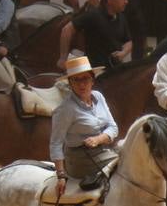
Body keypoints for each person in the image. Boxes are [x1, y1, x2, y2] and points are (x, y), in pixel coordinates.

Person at [50, 55, 118, 194]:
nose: (82, 84)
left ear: (92, 80)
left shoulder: (98, 97)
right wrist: (61, 176)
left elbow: (113, 127)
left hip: (103, 150)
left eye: (85, 78)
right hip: (80, 158)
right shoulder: (66, 109)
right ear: (70, 83)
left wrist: (98, 139)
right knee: (123, 165)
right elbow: (56, 143)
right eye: (76, 80)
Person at [58, 0, 132, 71]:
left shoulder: (121, 17)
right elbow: (67, 30)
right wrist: (63, 57)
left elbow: (129, 41)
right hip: (95, 71)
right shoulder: (93, 15)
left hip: (115, 70)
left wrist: (124, 52)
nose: (126, 1)